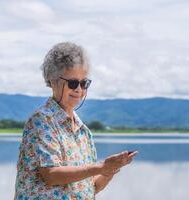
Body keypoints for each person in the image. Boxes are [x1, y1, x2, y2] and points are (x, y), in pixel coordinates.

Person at [14, 42, 138, 199]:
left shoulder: (84, 132)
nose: (79, 89)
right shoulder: (42, 120)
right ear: (53, 81)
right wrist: (100, 167)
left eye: (84, 83)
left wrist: (109, 170)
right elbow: (51, 175)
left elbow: (92, 187)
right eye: (73, 83)